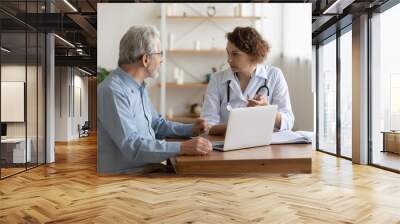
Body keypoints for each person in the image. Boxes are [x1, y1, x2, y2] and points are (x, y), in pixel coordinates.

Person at [97, 25, 212, 174]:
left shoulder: (138, 87)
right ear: (146, 59)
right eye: (160, 54)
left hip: (148, 169)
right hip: (127, 177)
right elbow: (132, 146)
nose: (162, 60)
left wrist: (190, 129)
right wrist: (182, 148)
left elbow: (156, 125)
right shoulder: (112, 92)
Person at [201, 26, 294, 135]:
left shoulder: (274, 75)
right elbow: (206, 126)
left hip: (265, 145)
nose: (229, 59)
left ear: (253, 54)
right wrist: (239, 127)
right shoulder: (217, 79)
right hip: (226, 144)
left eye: (235, 54)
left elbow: (288, 122)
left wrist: (268, 110)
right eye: (228, 53)